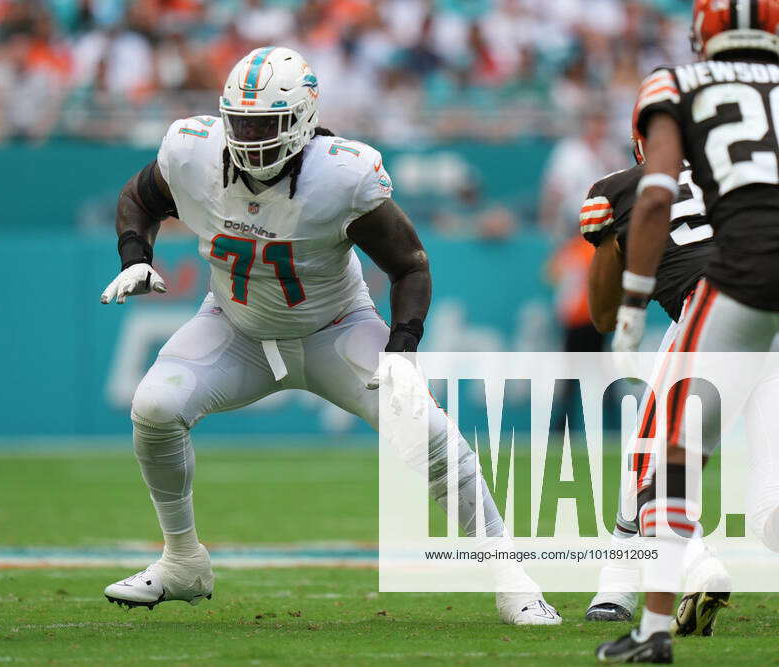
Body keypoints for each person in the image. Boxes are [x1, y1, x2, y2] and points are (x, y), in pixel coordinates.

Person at [98, 46, 561, 626]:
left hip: (335, 330)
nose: (250, 136)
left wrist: (402, 349)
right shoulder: (192, 150)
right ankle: (182, 561)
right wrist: (134, 256)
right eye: (240, 122)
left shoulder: (341, 173)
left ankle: (511, 576)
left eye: (265, 123)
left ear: (301, 120)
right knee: (154, 405)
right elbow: (138, 198)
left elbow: (410, 264)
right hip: (236, 328)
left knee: (428, 429)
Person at [600, 0, 779, 661]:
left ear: (704, 32)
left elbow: (654, 197)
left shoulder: (678, 83)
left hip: (741, 281)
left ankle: (652, 632)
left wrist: (631, 304)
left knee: (664, 459)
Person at [581, 127, 732, 635]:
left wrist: (603, 240)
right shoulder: (741, 174)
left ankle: (698, 567)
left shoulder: (621, 186)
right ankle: (617, 579)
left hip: (709, 312)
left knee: (651, 468)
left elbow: (602, 315)